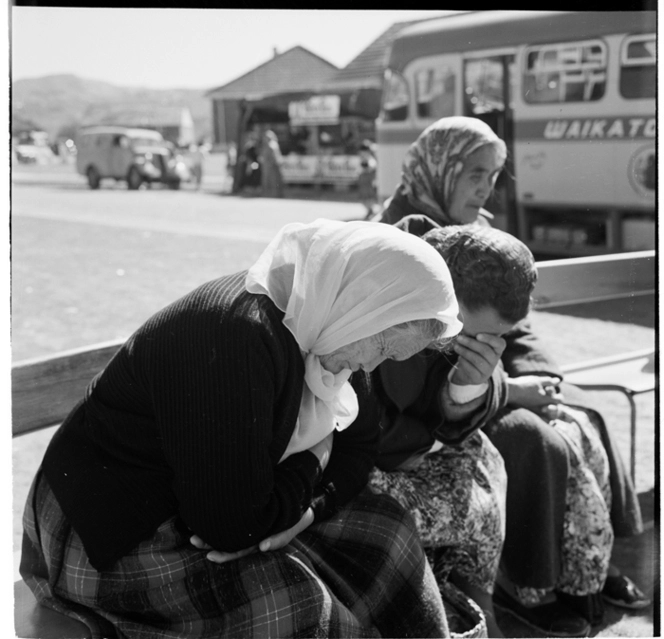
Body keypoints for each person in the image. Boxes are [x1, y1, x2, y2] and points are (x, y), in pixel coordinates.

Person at [20, 218, 463, 638]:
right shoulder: (236, 337)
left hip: (214, 499)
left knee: (389, 532)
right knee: (293, 606)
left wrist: (305, 514)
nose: (370, 366)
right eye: (383, 346)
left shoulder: (330, 325)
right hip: (112, 525)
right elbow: (231, 530)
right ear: (365, 301)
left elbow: (360, 448)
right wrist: (316, 457)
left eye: (388, 356)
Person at [374, 115, 648, 636]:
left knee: (579, 414)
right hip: (448, 396)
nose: (486, 187)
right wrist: (512, 392)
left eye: (495, 175)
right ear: (441, 169)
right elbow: (414, 359)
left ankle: (585, 571)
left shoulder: (481, 233)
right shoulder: (401, 237)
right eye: (475, 173)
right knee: (533, 438)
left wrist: (542, 379)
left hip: (486, 381)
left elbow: (518, 330)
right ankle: (529, 586)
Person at [357, 224, 538, 638]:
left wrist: (467, 389)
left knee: (486, 459)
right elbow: (370, 426)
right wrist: (436, 431)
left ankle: (477, 607)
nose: (479, 346)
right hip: (360, 465)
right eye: (471, 335)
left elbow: (468, 389)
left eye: (497, 338)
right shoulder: (396, 299)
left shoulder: (465, 315)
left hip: (412, 448)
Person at [259, 129, 285, 197]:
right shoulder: (271, 144)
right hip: (270, 165)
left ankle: (273, 194)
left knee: (273, 180)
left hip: (271, 166)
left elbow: (274, 156)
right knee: (273, 180)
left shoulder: (271, 145)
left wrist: (270, 163)